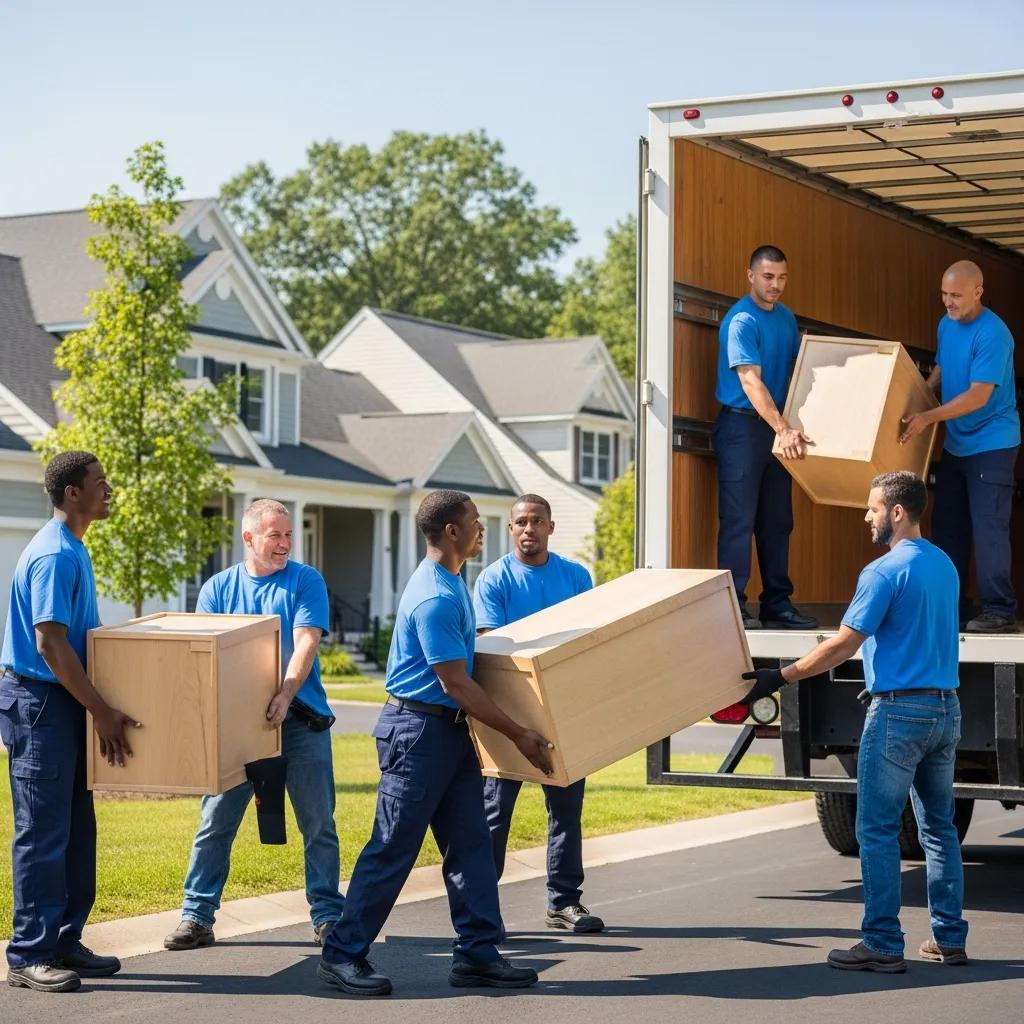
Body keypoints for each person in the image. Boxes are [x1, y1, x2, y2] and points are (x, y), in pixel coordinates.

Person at [317, 490, 553, 997]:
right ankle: (342, 954)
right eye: (475, 521)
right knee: (392, 848)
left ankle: (478, 955)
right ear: (452, 531)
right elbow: (456, 683)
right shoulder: (436, 596)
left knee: (471, 845)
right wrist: (518, 733)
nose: (482, 528)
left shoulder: (452, 581)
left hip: (448, 732)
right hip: (417, 734)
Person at [743, 471, 967, 972]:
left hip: (898, 713)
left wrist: (779, 676)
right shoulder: (944, 564)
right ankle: (949, 938)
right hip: (946, 708)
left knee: (878, 829)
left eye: (872, 508)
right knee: (939, 828)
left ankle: (882, 943)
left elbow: (845, 644)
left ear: (897, 513)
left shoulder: (883, 573)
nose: (866, 516)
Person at [163, 498, 345, 951]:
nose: (285, 543)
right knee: (215, 822)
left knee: (318, 824)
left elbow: (306, 643)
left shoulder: (305, 581)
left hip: (300, 721)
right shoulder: (218, 589)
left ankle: (328, 916)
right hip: (238, 730)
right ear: (248, 537)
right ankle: (196, 916)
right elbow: (205, 658)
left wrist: (284, 693)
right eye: (274, 535)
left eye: (289, 535)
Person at [0, 451, 138, 993]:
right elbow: (50, 644)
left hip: (64, 703)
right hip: (40, 705)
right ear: (73, 492)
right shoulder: (55, 554)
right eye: (100, 482)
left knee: (77, 830)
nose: (109, 489)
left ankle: (62, 940)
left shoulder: (75, 548)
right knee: (43, 833)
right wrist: (101, 710)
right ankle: (28, 954)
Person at [474, 493, 604, 934]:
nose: (528, 529)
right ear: (511, 528)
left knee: (566, 810)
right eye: (521, 522)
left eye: (537, 521)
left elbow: (586, 641)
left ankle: (564, 903)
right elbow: (494, 647)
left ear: (550, 527)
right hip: (508, 714)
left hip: (563, 709)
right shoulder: (494, 579)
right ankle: (482, 911)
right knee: (494, 814)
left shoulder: (576, 576)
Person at [900, 259, 1020, 633]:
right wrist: (921, 393)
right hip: (957, 443)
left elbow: (978, 396)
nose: (948, 302)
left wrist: (927, 417)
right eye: (944, 294)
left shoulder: (994, 334)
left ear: (978, 292)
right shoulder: (946, 323)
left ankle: (999, 609)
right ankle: (955, 607)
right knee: (947, 525)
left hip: (993, 443)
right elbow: (942, 366)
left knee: (988, 528)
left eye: (956, 295)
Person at [714, 244, 817, 631]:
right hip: (742, 428)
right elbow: (750, 381)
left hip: (775, 428)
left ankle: (777, 604)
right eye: (768, 277)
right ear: (751, 275)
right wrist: (783, 428)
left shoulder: (786, 319)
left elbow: (802, 367)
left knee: (777, 520)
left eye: (782, 278)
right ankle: (734, 607)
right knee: (739, 520)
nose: (776, 285)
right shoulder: (741, 320)